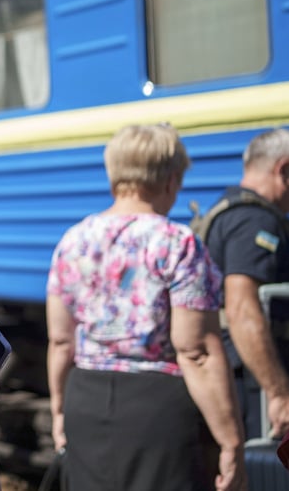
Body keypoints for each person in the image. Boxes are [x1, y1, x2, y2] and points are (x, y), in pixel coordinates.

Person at [46, 123, 246, 491]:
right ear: (171, 179)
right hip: (158, 406)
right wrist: (231, 440)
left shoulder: (73, 241)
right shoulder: (177, 243)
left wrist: (59, 411)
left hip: (85, 398)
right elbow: (197, 350)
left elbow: (61, 341)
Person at [203, 128, 289, 441]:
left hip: (237, 369)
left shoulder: (226, 209)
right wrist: (278, 393)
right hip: (253, 379)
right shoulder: (256, 221)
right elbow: (242, 308)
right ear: (284, 170)